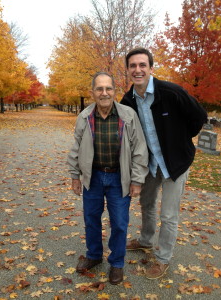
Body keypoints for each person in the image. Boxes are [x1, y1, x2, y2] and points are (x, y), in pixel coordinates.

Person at [120, 48, 207, 279]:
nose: (137, 70)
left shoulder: (171, 92)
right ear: (128, 70)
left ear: (150, 67)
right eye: (133, 66)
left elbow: (198, 116)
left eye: (142, 65)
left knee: (168, 215)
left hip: (175, 164)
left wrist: (180, 141)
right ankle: (146, 241)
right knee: (146, 205)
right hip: (149, 165)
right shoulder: (128, 100)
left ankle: (163, 259)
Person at [67, 71, 148, 285]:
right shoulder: (85, 116)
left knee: (120, 223)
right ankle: (94, 255)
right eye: (99, 89)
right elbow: (76, 148)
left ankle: (117, 263)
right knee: (91, 220)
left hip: (118, 178)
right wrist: (75, 175)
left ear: (114, 91)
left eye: (108, 88)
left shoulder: (128, 115)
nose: (104, 93)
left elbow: (140, 150)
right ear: (93, 92)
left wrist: (137, 180)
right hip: (92, 178)